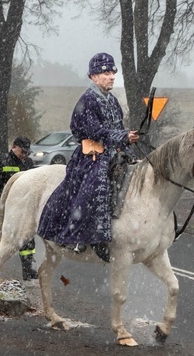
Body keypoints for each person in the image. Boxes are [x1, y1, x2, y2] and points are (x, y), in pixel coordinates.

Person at [37, 53, 140, 259]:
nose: (111, 76)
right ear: (93, 76)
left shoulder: (113, 101)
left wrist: (128, 139)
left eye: (112, 72)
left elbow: (117, 128)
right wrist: (121, 136)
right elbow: (95, 131)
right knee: (94, 186)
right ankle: (81, 236)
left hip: (112, 152)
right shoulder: (87, 100)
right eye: (105, 72)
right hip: (90, 155)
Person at [0, 136, 38, 280]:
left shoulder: (28, 163)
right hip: (2, 207)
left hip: (23, 207)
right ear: (13, 147)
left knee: (27, 235)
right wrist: (6, 193)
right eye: (22, 152)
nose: (24, 155)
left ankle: (28, 269)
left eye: (26, 153)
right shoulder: (1, 161)